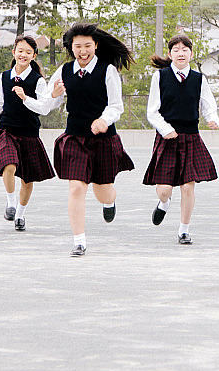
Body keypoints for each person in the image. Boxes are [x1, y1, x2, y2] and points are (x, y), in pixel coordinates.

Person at [20, 22, 135, 256]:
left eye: (87, 46)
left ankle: (110, 201)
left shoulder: (107, 70)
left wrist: (104, 120)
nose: (83, 51)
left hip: (103, 138)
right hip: (75, 136)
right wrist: (52, 95)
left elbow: (116, 106)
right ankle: (79, 241)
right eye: (78, 46)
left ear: (96, 46)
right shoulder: (64, 71)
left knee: (103, 191)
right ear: (71, 48)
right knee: (76, 187)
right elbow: (45, 106)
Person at [144, 35, 219, 245]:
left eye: (185, 49)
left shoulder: (199, 79)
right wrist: (165, 129)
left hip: (191, 138)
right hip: (167, 137)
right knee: (164, 189)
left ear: (191, 54)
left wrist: (213, 120)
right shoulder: (159, 77)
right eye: (176, 49)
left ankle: (184, 230)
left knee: (188, 187)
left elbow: (208, 105)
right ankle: (164, 202)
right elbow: (152, 112)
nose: (181, 53)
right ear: (170, 54)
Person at [0, 35, 56, 231]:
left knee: (27, 180)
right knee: (9, 165)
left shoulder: (38, 81)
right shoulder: (4, 76)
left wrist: (24, 98)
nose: (23, 55)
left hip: (29, 133)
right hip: (7, 130)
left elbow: (43, 108)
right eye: (20, 51)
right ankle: (11, 204)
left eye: (28, 52)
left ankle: (20, 215)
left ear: (34, 55)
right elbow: (0, 101)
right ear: (14, 52)